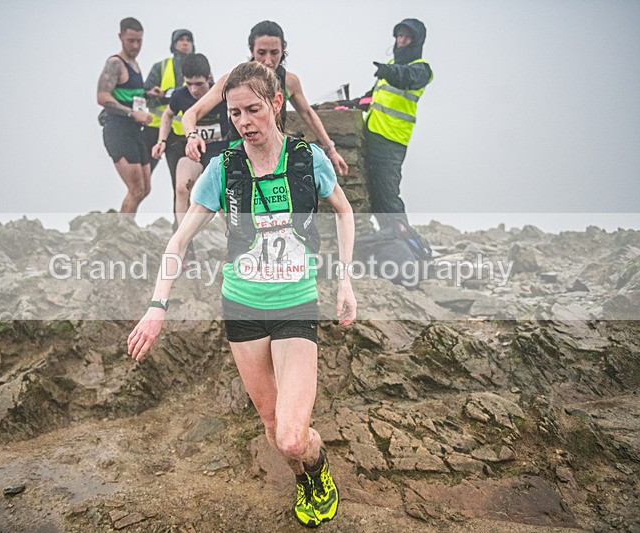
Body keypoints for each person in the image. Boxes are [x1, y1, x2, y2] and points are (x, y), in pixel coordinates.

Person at [128, 62, 357, 528]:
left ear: (276, 103)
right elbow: (180, 239)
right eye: (234, 114)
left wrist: (345, 280)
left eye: (253, 109)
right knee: (274, 430)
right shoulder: (224, 167)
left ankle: (317, 468)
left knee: (294, 438)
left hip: (295, 304)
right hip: (242, 309)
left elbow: (345, 212)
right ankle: (303, 480)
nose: (244, 122)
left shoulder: (306, 159)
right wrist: (156, 308)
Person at [181, 21, 349, 178]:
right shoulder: (232, 81)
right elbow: (191, 114)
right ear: (251, 51)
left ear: (283, 50)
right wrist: (192, 136)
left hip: (275, 154)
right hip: (239, 154)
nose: (268, 61)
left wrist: (331, 150)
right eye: (261, 53)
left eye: (274, 53)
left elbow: (307, 114)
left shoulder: (289, 81)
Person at [365, 18, 433, 230]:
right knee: (374, 196)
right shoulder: (391, 67)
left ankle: (407, 244)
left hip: (392, 142)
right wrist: (342, 104)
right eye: (399, 36)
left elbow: (405, 78)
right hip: (373, 135)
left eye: (407, 37)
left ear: (416, 41)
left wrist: (388, 71)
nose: (401, 41)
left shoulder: (421, 70)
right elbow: (370, 98)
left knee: (387, 196)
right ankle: (389, 241)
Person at [152, 53, 228, 235]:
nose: (194, 90)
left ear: (209, 78)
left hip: (218, 150)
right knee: (181, 187)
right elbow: (168, 114)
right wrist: (161, 140)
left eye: (199, 84)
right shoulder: (180, 95)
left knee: (222, 197)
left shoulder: (220, 93)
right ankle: (184, 241)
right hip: (193, 150)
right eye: (189, 84)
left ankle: (233, 242)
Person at [96, 17, 154, 215]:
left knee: (145, 189)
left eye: (139, 41)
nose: (136, 45)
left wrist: (148, 94)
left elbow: (131, 95)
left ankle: (124, 224)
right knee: (136, 189)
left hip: (135, 131)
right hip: (118, 129)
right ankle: (122, 230)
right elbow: (102, 96)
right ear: (121, 37)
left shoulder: (135, 64)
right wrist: (132, 113)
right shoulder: (115, 63)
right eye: (131, 41)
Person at [145, 29, 196, 203]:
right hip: (157, 130)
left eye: (188, 40)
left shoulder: (198, 67)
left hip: (185, 133)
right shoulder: (160, 67)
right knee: (143, 181)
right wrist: (153, 94)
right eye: (181, 40)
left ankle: (181, 224)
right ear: (173, 44)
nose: (185, 43)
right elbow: (145, 96)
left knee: (183, 183)